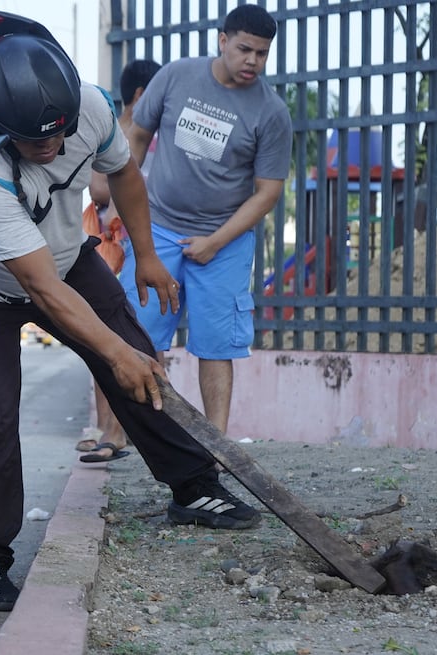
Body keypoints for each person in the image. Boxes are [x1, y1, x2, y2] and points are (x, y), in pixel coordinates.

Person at [0, 10, 261, 613]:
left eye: (61, 132)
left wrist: (145, 255)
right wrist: (110, 354)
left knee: (141, 364)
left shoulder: (90, 106)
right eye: (37, 140)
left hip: (67, 258)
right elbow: (40, 290)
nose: (55, 145)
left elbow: (123, 173)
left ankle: (194, 489)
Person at [121, 4, 293, 435]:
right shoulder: (178, 76)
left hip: (224, 242)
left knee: (217, 345)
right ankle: (151, 437)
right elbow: (137, 137)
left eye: (262, 53)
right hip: (157, 226)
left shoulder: (271, 113)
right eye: (244, 49)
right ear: (222, 41)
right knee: (140, 336)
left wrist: (215, 242)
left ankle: (216, 444)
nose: (253, 61)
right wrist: (126, 212)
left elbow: (268, 192)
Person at [76, 58, 162, 462]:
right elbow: (101, 191)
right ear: (143, 95)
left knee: (133, 340)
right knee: (109, 338)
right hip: (119, 250)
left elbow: (101, 191)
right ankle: (110, 429)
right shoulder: (123, 133)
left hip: (139, 250)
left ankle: (119, 431)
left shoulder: (150, 137)